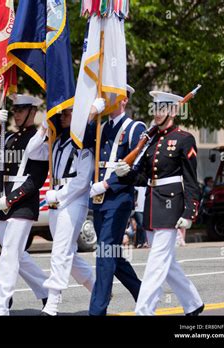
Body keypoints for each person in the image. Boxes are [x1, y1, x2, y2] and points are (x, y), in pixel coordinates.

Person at [115, 90, 204, 316]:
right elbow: (144, 177)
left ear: (173, 111)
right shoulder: (151, 139)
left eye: (161, 109)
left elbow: (192, 181)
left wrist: (190, 211)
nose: (156, 114)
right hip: (152, 205)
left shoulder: (184, 139)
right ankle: (193, 304)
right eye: (155, 109)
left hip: (172, 205)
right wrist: (126, 173)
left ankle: (144, 311)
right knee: (166, 262)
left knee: (156, 264)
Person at [0, 94, 50, 316]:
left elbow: (36, 179)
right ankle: (46, 288)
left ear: (32, 112)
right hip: (4, 199)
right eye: (15, 110)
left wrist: (11, 199)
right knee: (15, 252)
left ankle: (0, 305)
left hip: (21, 202)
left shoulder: (38, 139)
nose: (16, 114)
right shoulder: (8, 137)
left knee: (10, 253)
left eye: (21, 110)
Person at [26, 107, 95, 316]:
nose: (62, 117)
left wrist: (61, 195)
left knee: (60, 252)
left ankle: (53, 303)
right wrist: (42, 129)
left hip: (73, 200)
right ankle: (99, 288)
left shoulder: (83, 143)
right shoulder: (56, 141)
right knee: (68, 254)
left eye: (67, 113)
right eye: (62, 113)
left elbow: (83, 179)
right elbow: (30, 151)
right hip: (56, 199)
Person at [82, 85, 144, 316]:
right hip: (99, 199)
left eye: (110, 96)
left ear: (124, 100)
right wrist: (91, 115)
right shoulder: (101, 127)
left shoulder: (135, 128)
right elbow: (84, 142)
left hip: (118, 198)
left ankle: (96, 311)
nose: (105, 99)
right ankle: (143, 294)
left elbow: (135, 165)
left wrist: (108, 184)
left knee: (104, 252)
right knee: (113, 255)